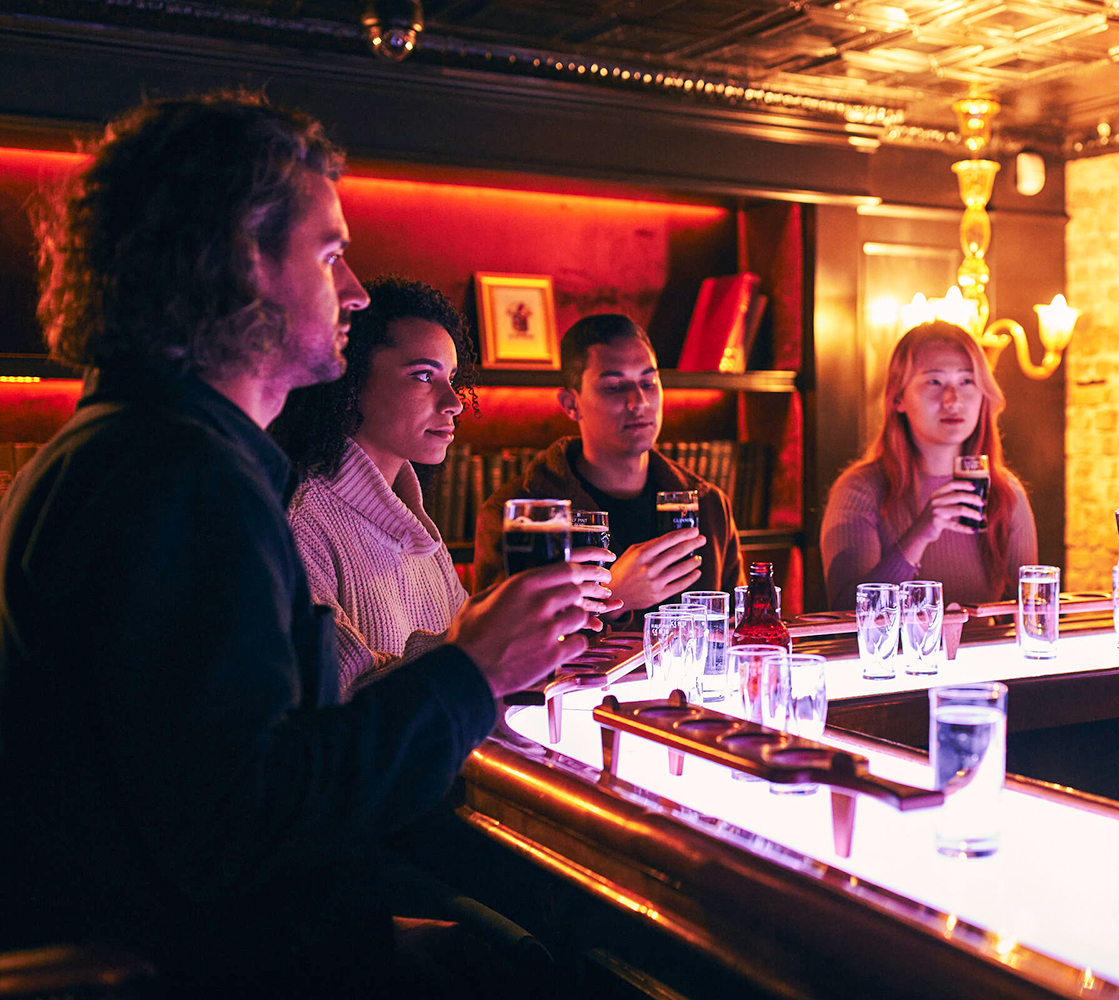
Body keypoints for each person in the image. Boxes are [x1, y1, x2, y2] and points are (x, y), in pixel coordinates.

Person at [0, 92, 614, 996]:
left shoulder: (133, 449)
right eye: (331, 255)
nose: (355, 292)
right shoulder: (179, 478)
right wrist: (474, 669)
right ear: (237, 261)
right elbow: (241, 823)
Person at [271, 276, 476, 700]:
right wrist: (484, 646)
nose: (454, 402)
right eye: (424, 376)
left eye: (451, 378)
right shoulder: (301, 522)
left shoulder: (415, 526)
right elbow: (339, 701)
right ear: (350, 382)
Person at [474, 314, 742, 619]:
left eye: (648, 383)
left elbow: (738, 629)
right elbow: (497, 639)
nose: (638, 401)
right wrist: (612, 596)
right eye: (614, 387)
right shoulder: (516, 515)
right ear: (571, 404)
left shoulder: (709, 505)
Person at [821, 320, 1038, 610]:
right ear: (898, 397)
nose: (952, 400)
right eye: (934, 382)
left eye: (967, 381)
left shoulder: (1004, 491)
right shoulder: (860, 490)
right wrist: (921, 533)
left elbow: (1030, 612)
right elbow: (847, 612)